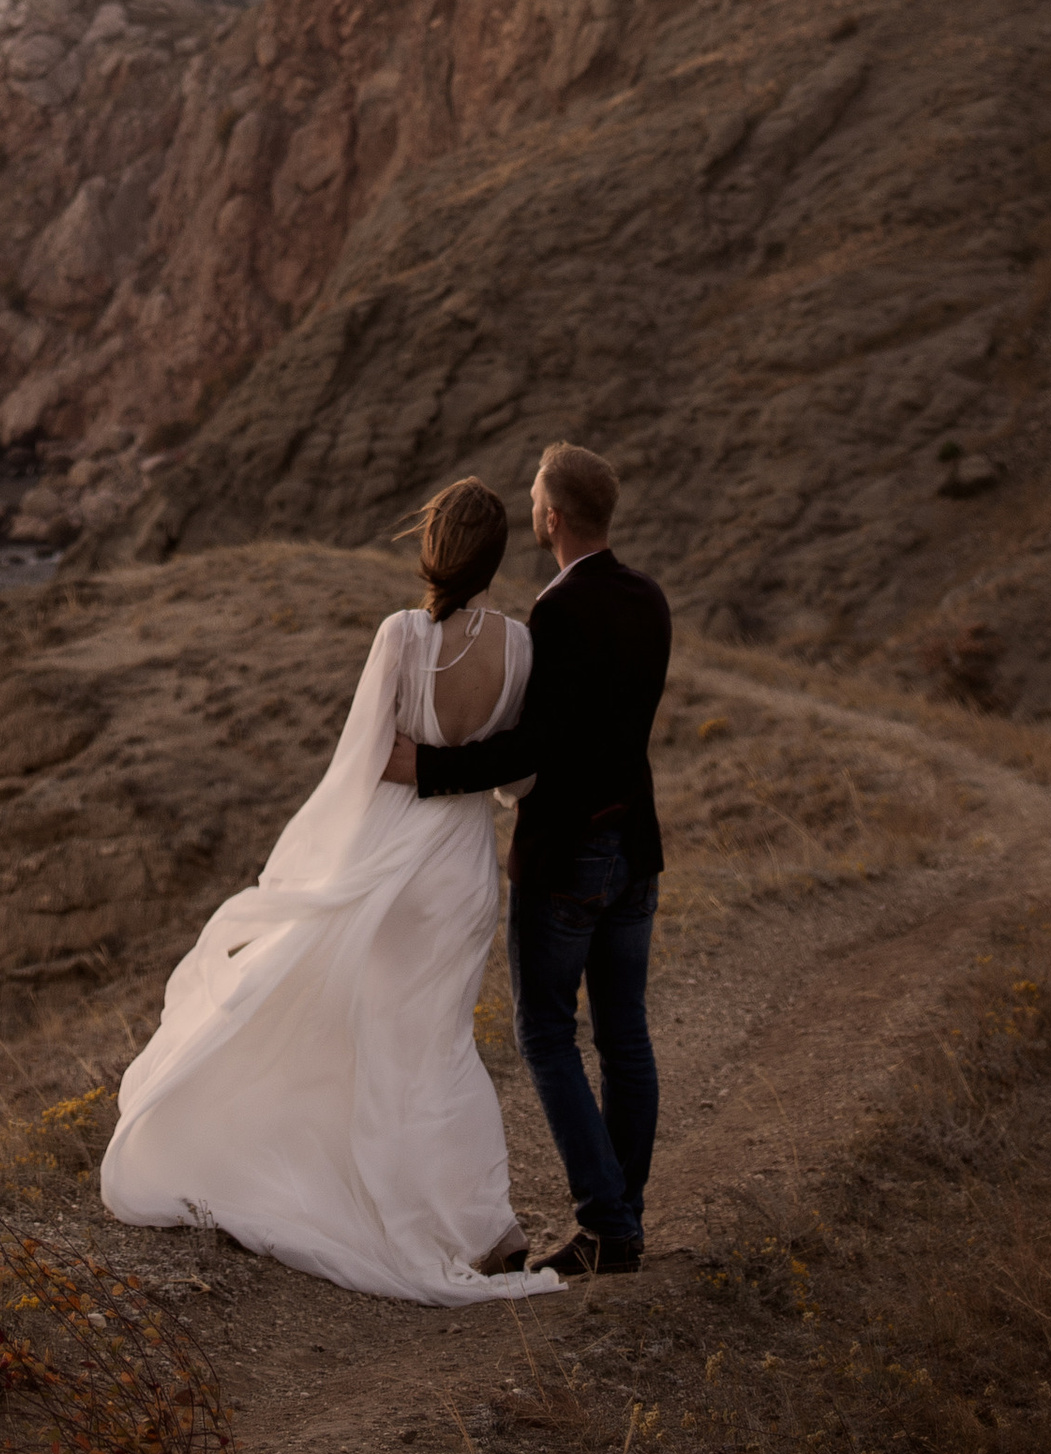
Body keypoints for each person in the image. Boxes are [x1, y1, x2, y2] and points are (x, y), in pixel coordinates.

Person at [99, 480, 565, 1303]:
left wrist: (316, 871)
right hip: (459, 869)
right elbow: (520, 779)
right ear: (496, 558)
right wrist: (474, 776)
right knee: (440, 1041)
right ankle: (479, 1223)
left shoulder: (399, 635)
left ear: (433, 547)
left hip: (391, 852)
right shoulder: (523, 649)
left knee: (374, 1036)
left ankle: (376, 1199)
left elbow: (357, 765)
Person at [384, 440, 671, 1278]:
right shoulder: (650, 600)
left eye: (538, 500)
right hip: (638, 849)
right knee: (624, 1035)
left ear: (550, 518)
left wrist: (425, 767)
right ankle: (625, 1222)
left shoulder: (558, 615)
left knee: (545, 1032)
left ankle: (605, 1222)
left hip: (570, 852)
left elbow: (533, 749)